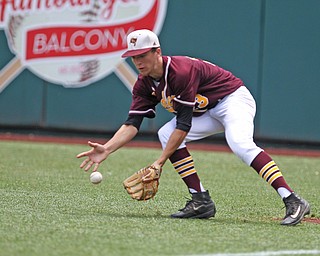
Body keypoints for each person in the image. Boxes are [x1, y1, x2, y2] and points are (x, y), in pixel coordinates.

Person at [77, 29, 310, 225]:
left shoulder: (180, 71)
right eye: (133, 57)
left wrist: (159, 162)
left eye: (142, 55)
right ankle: (200, 201)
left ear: (157, 51)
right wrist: (107, 148)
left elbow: (184, 125)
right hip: (206, 110)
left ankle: (292, 199)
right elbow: (133, 123)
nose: (137, 62)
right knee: (164, 132)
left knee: (240, 144)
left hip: (232, 99)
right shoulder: (143, 83)